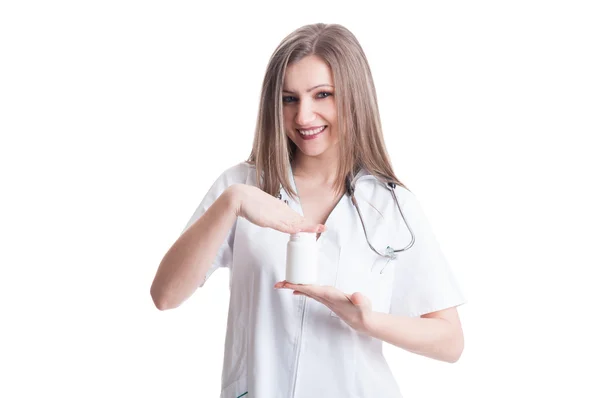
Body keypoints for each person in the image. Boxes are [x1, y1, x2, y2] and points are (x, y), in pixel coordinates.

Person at [150, 23, 466, 398]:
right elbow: (165, 295)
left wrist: (365, 320)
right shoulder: (241, 187)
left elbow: (450, 341)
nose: (304, 116)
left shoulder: (389, 204)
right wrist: (231, 203)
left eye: (322, 95)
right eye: (289, 99)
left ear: (353, 97)